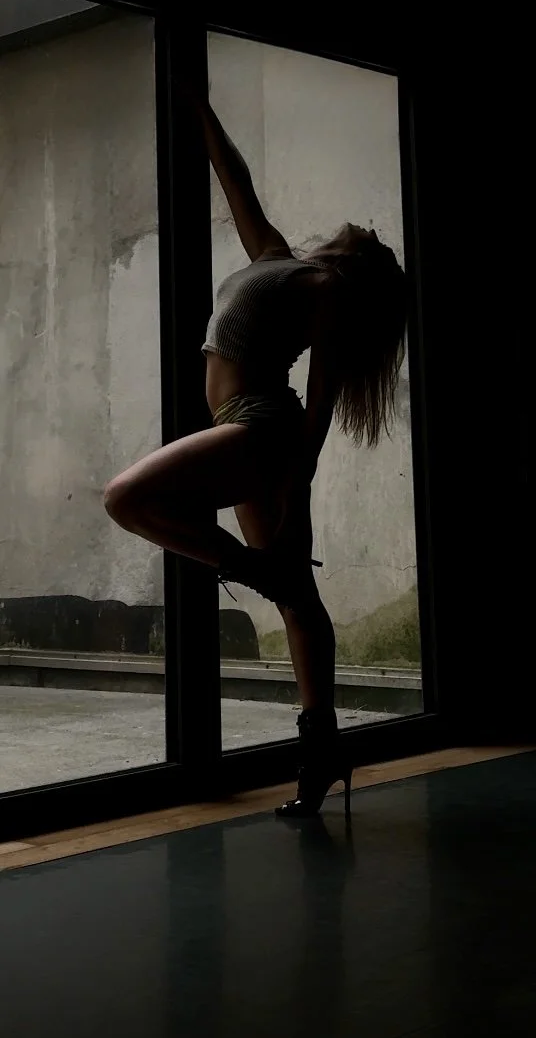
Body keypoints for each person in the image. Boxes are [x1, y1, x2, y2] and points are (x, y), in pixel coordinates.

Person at [104, 88, 408, 815]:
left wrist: (298, 496)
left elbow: (325, 401)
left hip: (262, 428)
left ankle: (243, 569)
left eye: (368, 236)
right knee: (297, 596)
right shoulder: (274, 255)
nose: (359, 226)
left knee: (126, 498)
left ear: (357, 262)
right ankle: (322, 748)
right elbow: (234, 178)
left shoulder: (325, 287)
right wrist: (199, 105)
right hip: (245, 427)